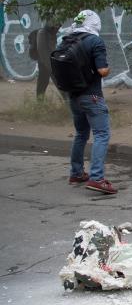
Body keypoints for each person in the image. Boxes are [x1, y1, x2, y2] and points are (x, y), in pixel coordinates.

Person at [59, 10, 117, 194]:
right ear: (95, 23)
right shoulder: (95, 41)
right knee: (101, 134)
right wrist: (108, 68)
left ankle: (76, 173)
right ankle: (97, 178)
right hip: (92, 95)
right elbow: (102, 71)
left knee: (81, 134)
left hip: (73, 95)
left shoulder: (66, 40)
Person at [30, 24, 62, 99]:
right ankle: (40, 101)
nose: (58, 28)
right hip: (44, 62)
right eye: (57, 26)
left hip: (49, 61)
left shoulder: (53, 34)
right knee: (43, 81)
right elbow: (43, 52)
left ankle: (40, 100)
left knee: (44, 81)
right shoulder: (43, 34)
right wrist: (51, 67)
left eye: (59, 27)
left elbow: (52, 48)